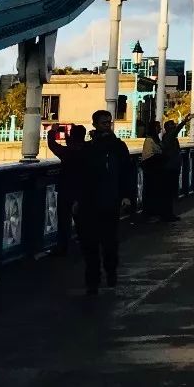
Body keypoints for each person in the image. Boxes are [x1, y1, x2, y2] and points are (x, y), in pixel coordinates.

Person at [74, 109, 133, 295]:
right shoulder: (88, 149)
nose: (107, 126)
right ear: (95, 125)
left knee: (109, 243)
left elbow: (126, 172)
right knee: (90, 244)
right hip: (89, 202)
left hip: (110, 201)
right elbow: (81, 176)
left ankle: (110, 271)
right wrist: (77, 199)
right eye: (103, 123)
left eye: (109, 122)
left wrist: (125, 195)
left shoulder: (118, 147)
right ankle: (93, 281)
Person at [45, 123, 87, 254]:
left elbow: (53, 145)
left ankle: (63, 246)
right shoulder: (88, 150)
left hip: (66, 189)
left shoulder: (67, 152)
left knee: (64, 220)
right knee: (81, 219)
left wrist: (53, 132)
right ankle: (85, 245)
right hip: (82, 190)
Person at [159, 117, 189, 219]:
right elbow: (176, 130)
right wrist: (184, 121)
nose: (174, 127)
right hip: (170, 167)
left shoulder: (168, 138)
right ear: (169, 128)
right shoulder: (169, 137)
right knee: (169, 191)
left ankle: (168, 213)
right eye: (172, 125)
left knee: (170, 191)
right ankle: (167, 214)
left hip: (172, 166)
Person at [139, 119, 165, 219]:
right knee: (151, 192)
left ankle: (154, 211)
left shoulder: (155, 139)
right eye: (158, 127)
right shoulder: (149, 140)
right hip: (152, 171)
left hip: (156, 171)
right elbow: (148, 156)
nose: (160, 129)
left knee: (155, 192)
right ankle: (150, 212)